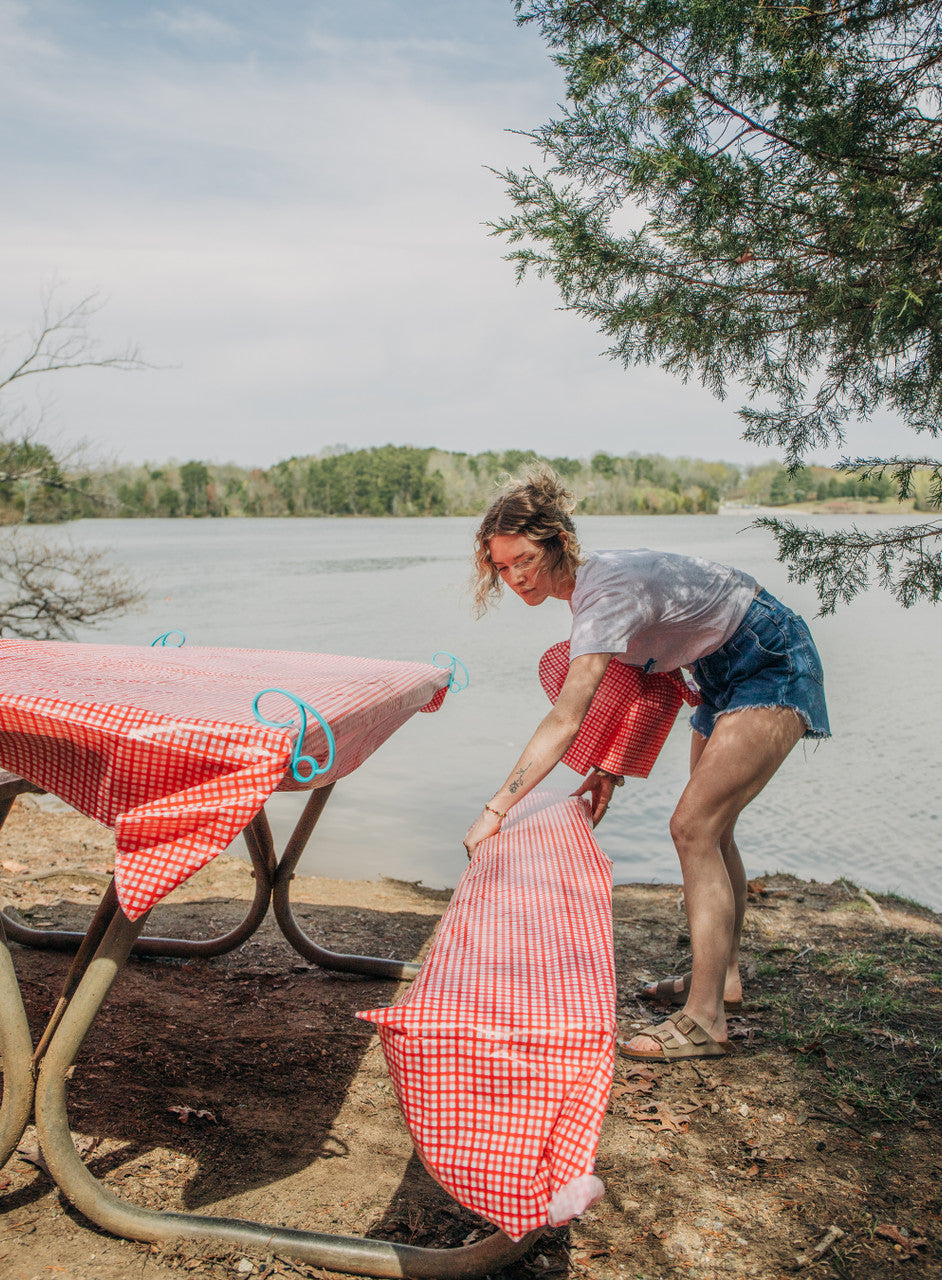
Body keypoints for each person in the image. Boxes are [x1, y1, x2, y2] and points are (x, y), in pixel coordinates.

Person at [463, 467, 829, 1062]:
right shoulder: (590, 593)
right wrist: (611, 767)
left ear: (557, 541)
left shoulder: (604, 593)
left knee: (694, 829)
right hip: (717, 671)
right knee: (713, 830)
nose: (515, 578)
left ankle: (704, 1022)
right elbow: (648, 683)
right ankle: (724, 979)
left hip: (770, 658)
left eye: (524, 559)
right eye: (502, 568)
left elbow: (566, 717)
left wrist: (495, 809)